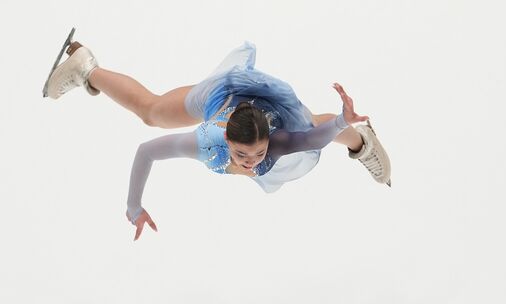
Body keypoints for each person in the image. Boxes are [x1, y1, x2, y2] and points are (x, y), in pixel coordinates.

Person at [44, 31, 391, 240]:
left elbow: (312, 140)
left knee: (310, 125)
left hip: (271, 112)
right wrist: (133, 207)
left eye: (257, 155)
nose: (253, 164)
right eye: (244, 156)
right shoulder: (204, 142)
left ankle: (362, 141)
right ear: (225, 141)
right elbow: (146, 151)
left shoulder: (277, 142)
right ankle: (87, 68)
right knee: (151, 112)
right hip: (220, 95)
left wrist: (343, 121)